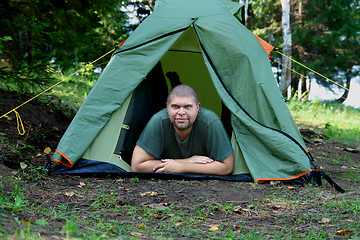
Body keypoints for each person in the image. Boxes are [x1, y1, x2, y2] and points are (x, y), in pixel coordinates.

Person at [131, 84, 234, 175]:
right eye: (175, 106)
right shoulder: (159, 121)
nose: (181, 112)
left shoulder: (210, 121)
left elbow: (227, 167)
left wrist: (181, 167)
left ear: (197, 108)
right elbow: (137, 166)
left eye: (187, 106)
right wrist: (186, 161)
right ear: (167, 107)